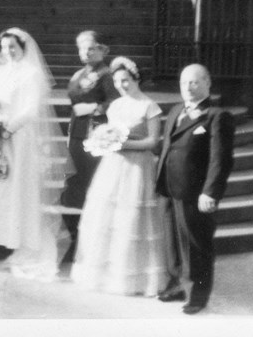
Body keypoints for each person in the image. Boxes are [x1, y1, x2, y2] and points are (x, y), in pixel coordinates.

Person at [0, 27, 71, 282]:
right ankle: (6, 237)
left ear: (23, 48)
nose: (8, 52)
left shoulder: (32, 74)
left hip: (19, 136)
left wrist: (8, 127)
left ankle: (25, 242)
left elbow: (31, 109)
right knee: (0, 185)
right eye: (4, 47)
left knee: (19, 186)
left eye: (12, 47)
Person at [71, 57, 166, 296]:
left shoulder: (149, 106)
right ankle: (105, 276)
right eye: (117, 81)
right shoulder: (115, 106)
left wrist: (124, 144)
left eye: (125, 80)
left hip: (137, 168)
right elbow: (108, 132)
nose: (122, 85)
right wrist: (103, 140)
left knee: (131, 219)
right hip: (113, 167)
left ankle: (135, 280)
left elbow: (153, 141)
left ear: (136, 79)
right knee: (107, 217)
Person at [155, 64, 235, 315]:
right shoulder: (176, 110)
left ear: (208, 83)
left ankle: (199, 295)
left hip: (194, 191)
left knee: (196, 244)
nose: (188, 87)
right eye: (183, 83)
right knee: (171, 242)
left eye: (194, 82)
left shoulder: (216, 115)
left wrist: (210, 192)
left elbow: (220, 160)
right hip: (168, 187)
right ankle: (176, 284)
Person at [59, 31, 119, 239]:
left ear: (102, 50)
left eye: (91, 48)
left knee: (92, 180)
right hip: (77, 133)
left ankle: (94, 230)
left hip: (96, 134)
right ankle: (75, 229)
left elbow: (115, 102)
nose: (86, 52)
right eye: (82, 48)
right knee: (75, 180)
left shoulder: (108, 75)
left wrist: (94, 107)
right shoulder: (78, 75)